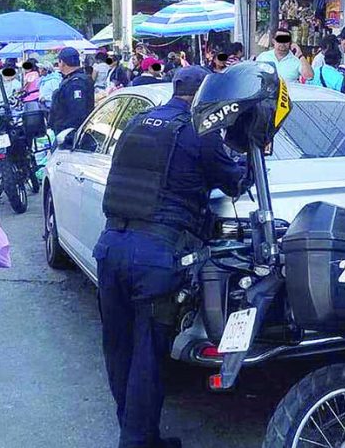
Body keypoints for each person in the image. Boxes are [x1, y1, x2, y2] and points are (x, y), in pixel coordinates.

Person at [95, 65, 253, 448]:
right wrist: (254, 150)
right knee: (148, 356)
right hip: (155, 257)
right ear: (203, 97)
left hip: (111, 246)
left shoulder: (137, 122)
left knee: (119, 349)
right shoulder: (199, 130)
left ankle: (136, 432)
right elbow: (235, 182)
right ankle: (137, 442)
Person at [48, 47, 95, 134]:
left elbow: (78, 113)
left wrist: (69, 135)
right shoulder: (75, 79)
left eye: (59, 62)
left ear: (62, 63)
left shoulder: (76, 83)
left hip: (69, 134)